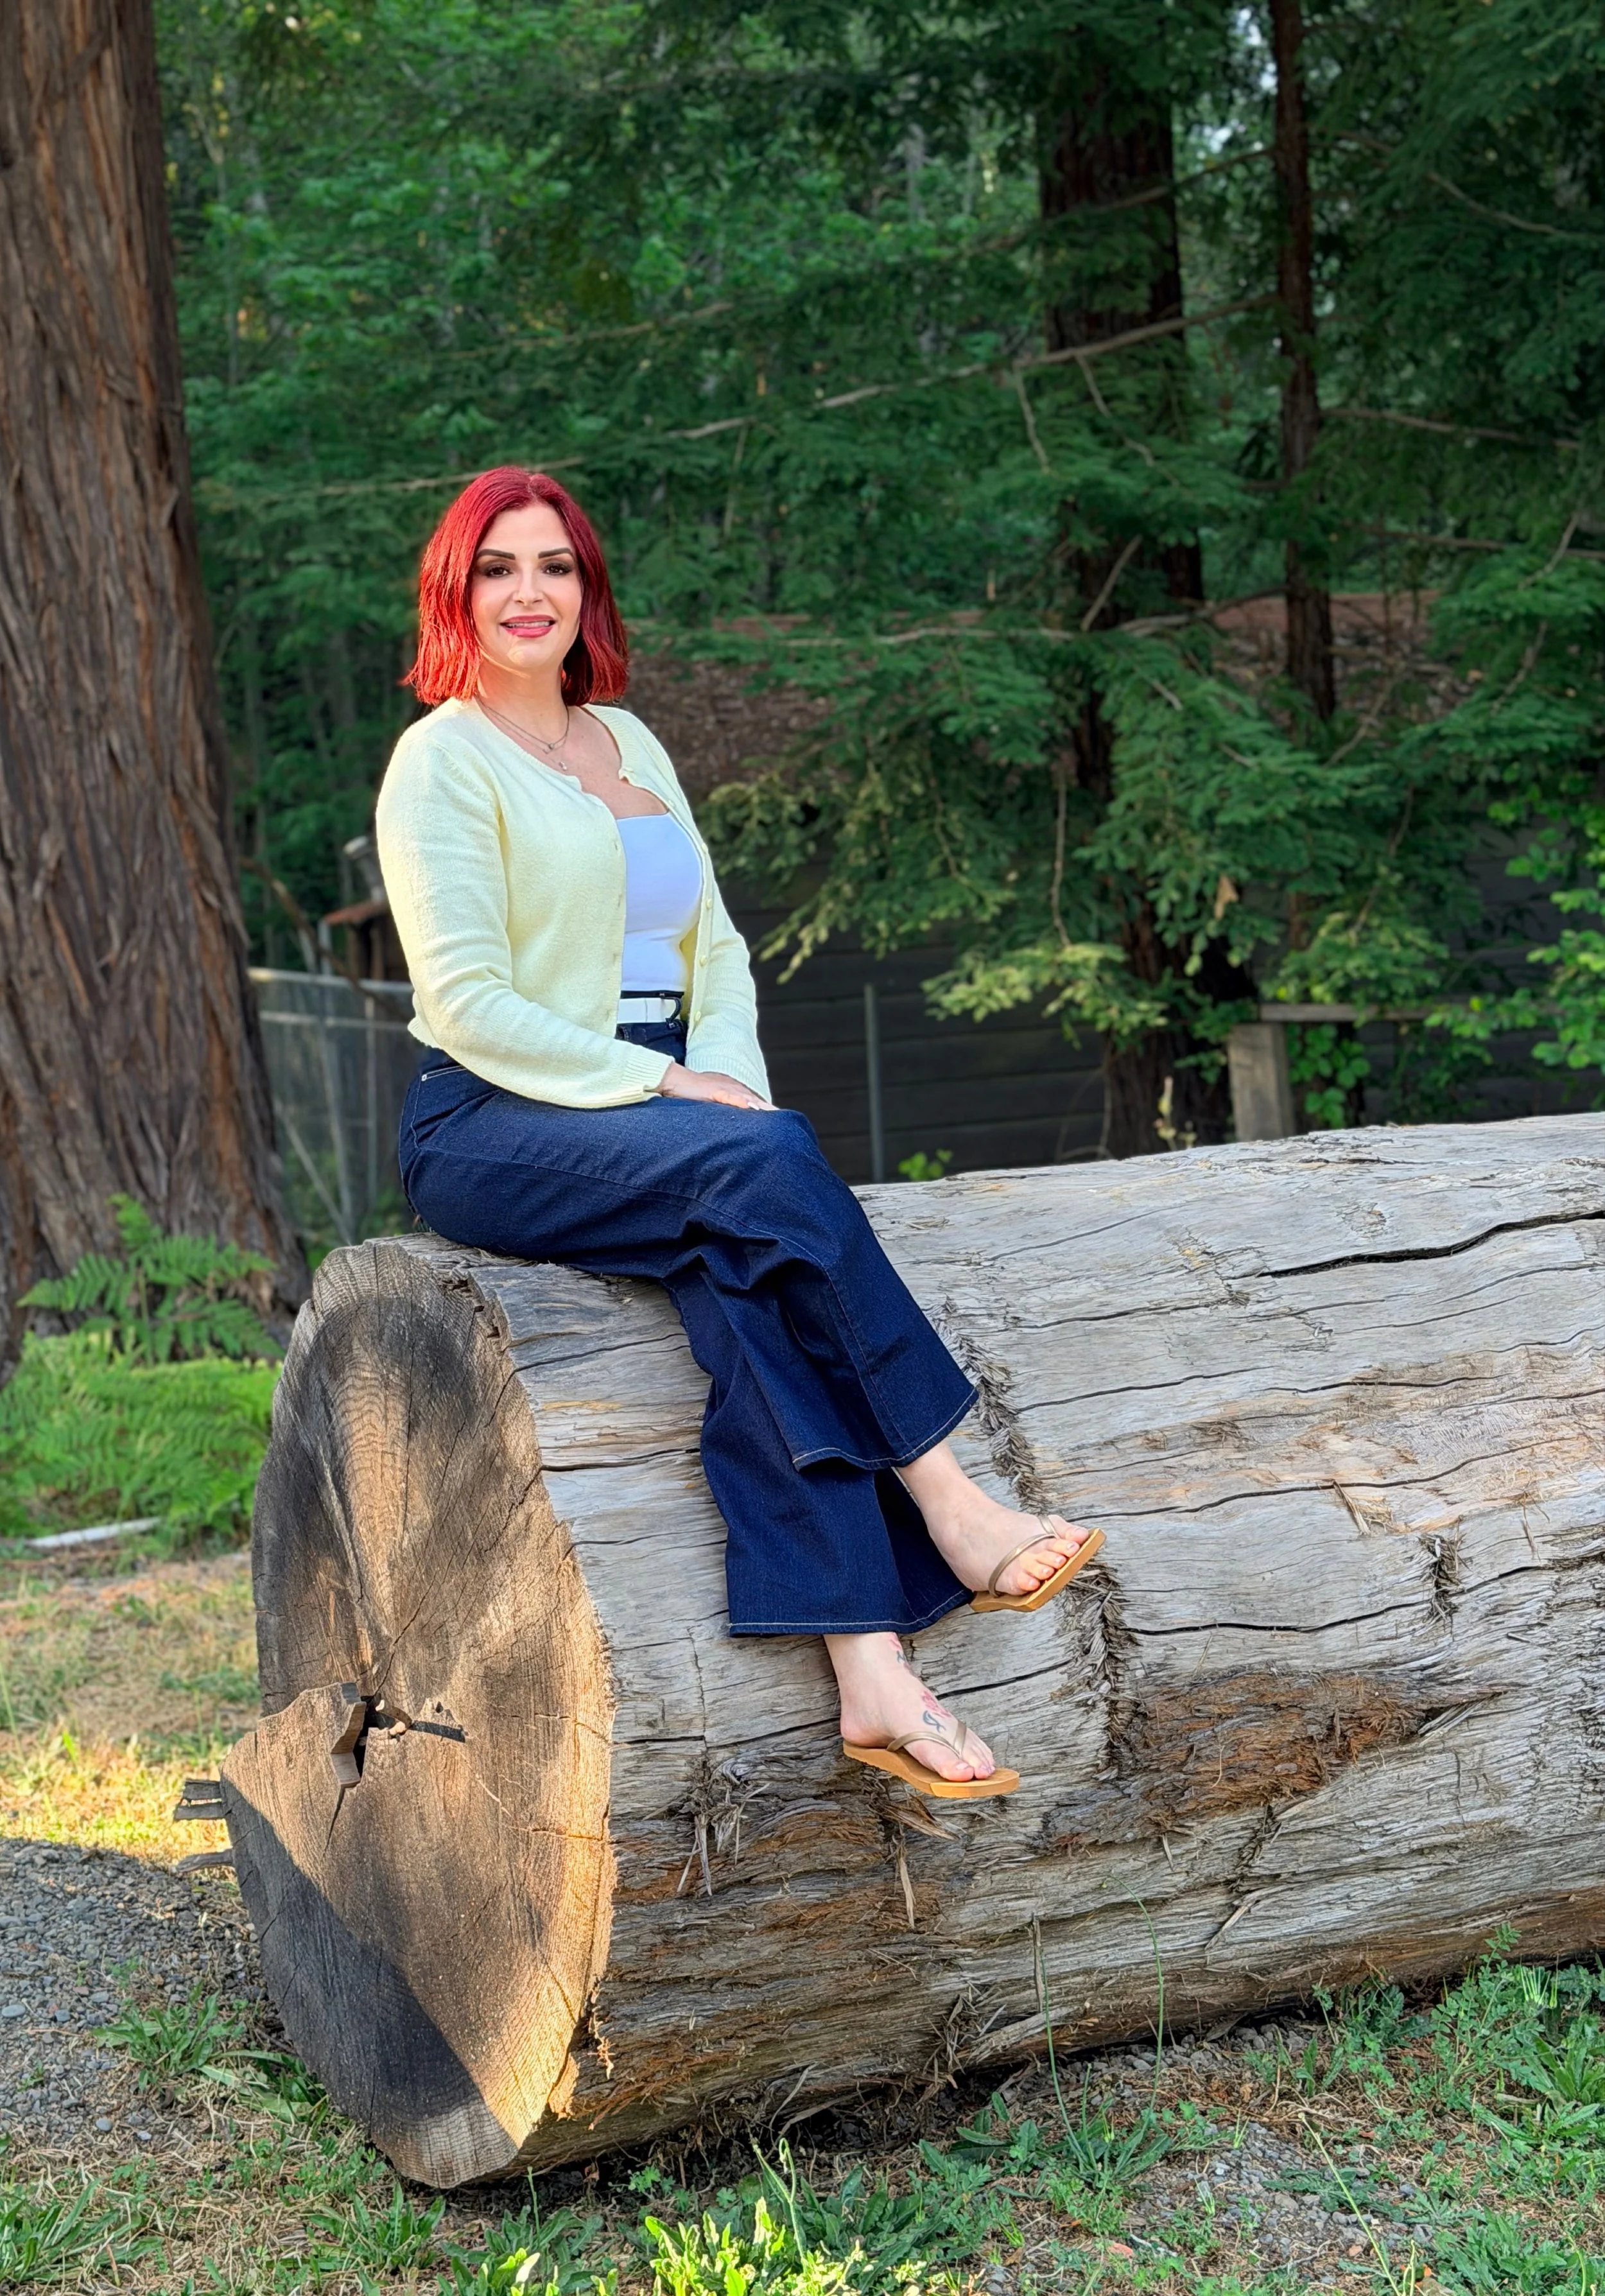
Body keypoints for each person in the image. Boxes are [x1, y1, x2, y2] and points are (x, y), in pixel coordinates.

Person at [376, 465, 1104, 1800]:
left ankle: (868, 1666)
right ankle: (949, 1498)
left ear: (584, 588)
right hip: (494, 1116)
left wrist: (716, 1078)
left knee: (743, 1276)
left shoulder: (629, 742)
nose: (528, 591)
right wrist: (661, 1094)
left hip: (667, 1107)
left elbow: (712, 946)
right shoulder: (441, 761)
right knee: (761, 1166)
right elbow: (465, 1002)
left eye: (553, 564)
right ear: (456, 593)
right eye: (497, 568)